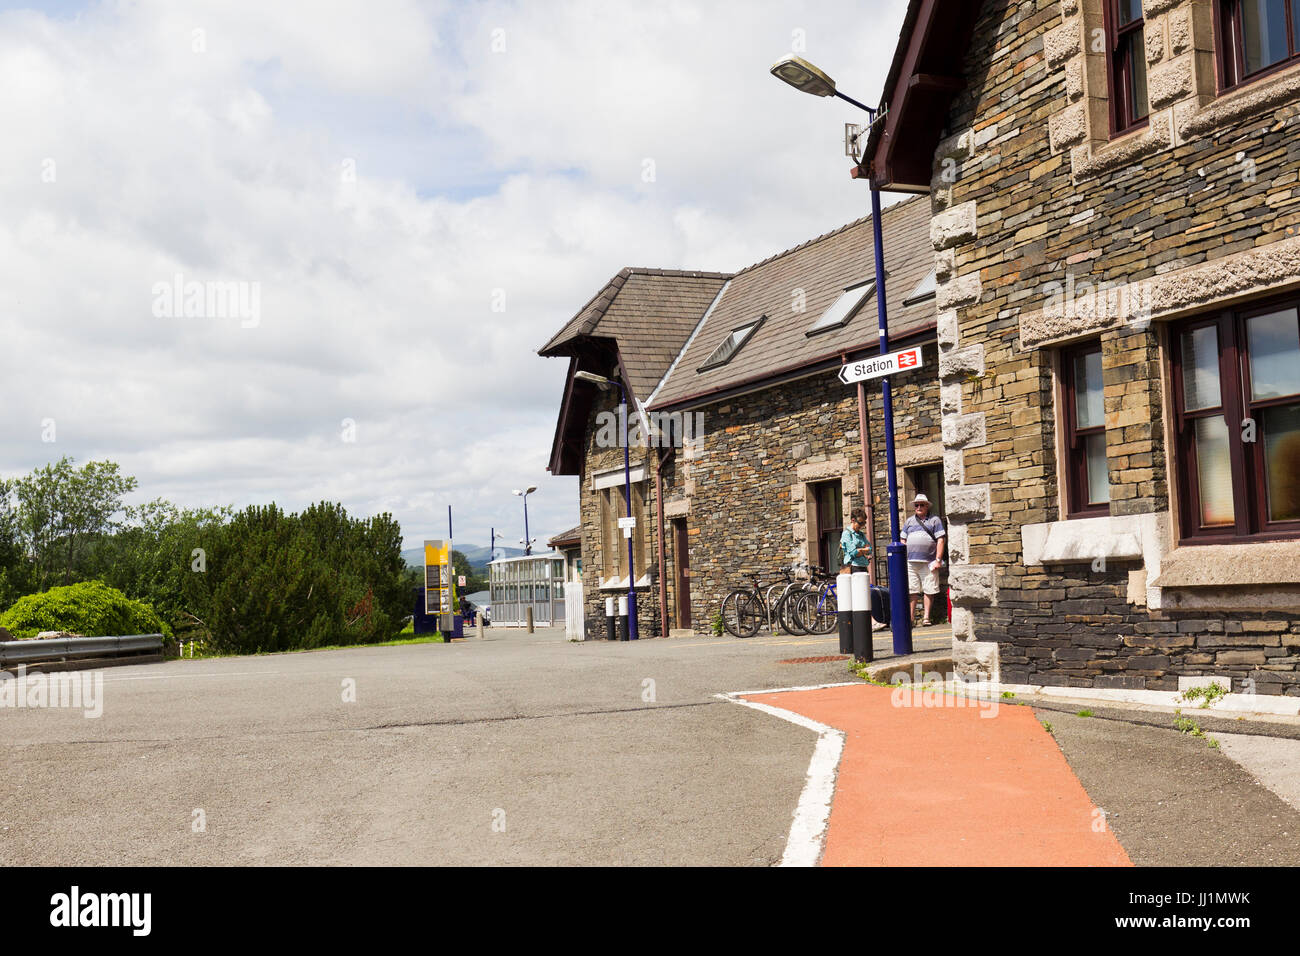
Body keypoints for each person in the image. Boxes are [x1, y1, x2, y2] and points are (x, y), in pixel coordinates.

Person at [901, 493, 945, 626]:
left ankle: (926, 617)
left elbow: (941, 540)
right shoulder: (909, 521)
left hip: (929, 561)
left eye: (921, 505)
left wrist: (938, 559)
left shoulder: (935, 520)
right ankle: (910, 618)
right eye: (917, 505)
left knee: (929, 589)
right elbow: (903, 539)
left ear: (927, 506)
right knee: (912, 590)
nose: (919, 507)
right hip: (910, 561)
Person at [839, 508, 872, 574]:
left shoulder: (861, 534)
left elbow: (870, 549)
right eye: (860, 523)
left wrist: (860, 550)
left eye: (864, 523)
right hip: (852, 567)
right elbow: (853, 553)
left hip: (863, 566)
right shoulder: (847, 534)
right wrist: (864, 550)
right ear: (853, 520)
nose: (862, 525)